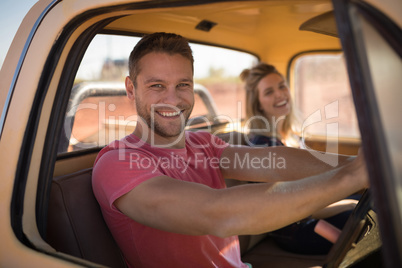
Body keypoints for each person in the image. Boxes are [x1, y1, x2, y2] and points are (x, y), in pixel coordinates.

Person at [92, 32, 368, 268]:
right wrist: (351, 177)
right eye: (156, 86)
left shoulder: (202, 143)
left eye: (183, 85)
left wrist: (366, 165)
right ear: (131, 88)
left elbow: (274, 162)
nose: (173, 98)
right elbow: (215, 213)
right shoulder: (118, 162)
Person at [241, 63, 359, 254]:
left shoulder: (288, 136)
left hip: (310, 213)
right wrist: (347, 203)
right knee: (366, 213)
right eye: (269, 92)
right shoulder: (262, 146)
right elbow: (294, 205)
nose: (280, 94)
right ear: (258, 104)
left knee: (365, 202)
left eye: (282, 86)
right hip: (297, 228)